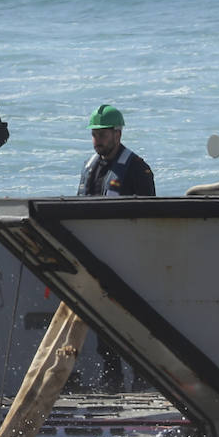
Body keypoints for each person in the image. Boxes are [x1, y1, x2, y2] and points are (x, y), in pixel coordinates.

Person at [75, 104, 155, 392]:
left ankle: (142, 379)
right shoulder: (91, 169)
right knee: (102, 323)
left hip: (129, 260)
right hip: (96, 259)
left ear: (117, 134)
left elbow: (149, 219)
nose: (97, 140)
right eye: (94, 135)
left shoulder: (137, 169)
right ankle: (112, 377)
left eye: (103, 135)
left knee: (132, 322)